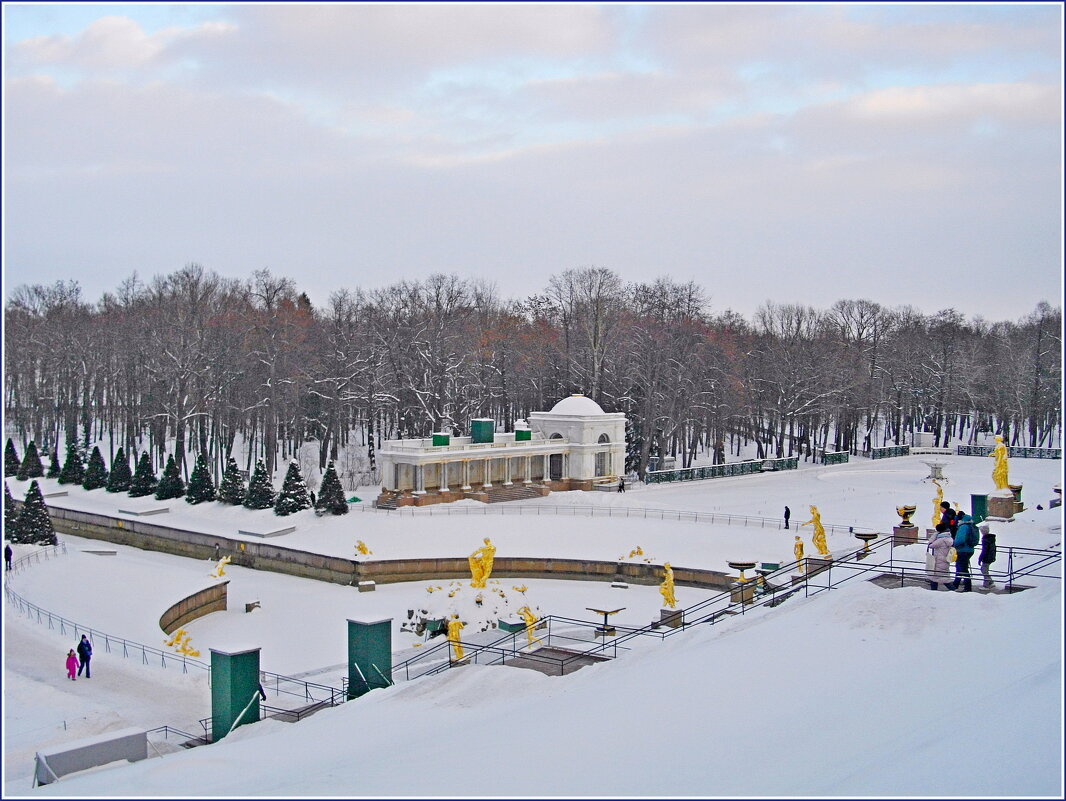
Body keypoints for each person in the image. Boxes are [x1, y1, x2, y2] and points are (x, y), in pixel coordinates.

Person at [949, 512, 977, 592]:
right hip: (969, 549)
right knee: (960, 567)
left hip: (963, 550)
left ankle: (968, 587)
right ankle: (955, 584)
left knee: (963, 569)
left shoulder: (963, 527)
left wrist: (953, 544)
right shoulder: (970, 525)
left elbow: (960, 539)